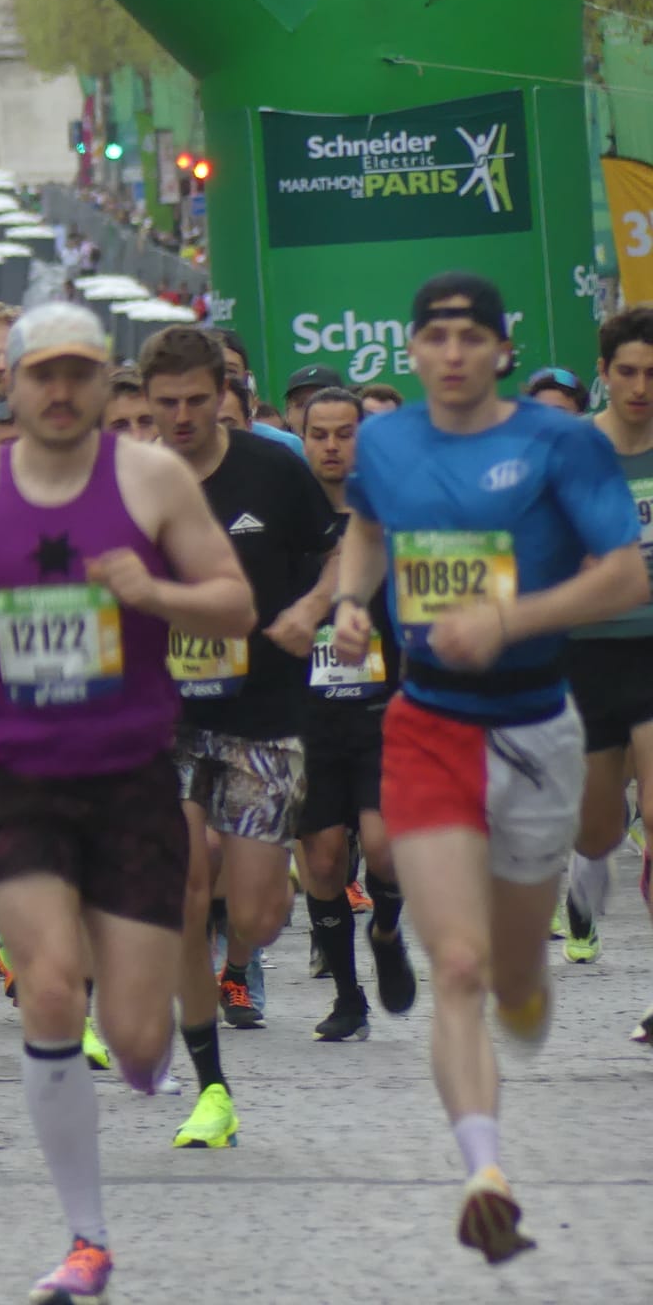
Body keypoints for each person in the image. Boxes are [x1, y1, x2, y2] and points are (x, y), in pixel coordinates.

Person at [0, 302, 254, 1304]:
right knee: (49, 986)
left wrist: (152, 592)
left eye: (77, 373)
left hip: (131, 775)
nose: (57, 391)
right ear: (10, 385)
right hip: (18, 774)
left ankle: (146, 1048)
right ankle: (84, 1239)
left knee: (136, 1045)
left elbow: (233, 603)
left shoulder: (151, 479)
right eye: (39, 373)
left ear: (103, 382)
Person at [330, 271, 646, 1263]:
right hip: (424, 723)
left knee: (513, 973)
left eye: (473, 337)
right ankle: (483, 1171)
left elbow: (624, 572)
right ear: (412, 352)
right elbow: (369, 528)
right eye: (436, 337)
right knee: (455, 964)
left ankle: (529, 983)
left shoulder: (560, 444)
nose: (454, 353)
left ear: (500, 351)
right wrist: (348, 600)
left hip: (536, 724)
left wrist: (507, 618)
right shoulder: (382, 442)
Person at [142, 323, 339, 1149]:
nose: (183, 417)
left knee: (254, 913)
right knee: (186, 891)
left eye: (198, 400)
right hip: (167, 716)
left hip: (263, 710)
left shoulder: (274, 468)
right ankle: (211, 1086)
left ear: (224, 392)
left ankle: (239, 940)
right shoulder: (131, 484)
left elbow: (342, 550)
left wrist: (311, 606)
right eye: (166, 405)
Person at [297, 387, 417, 1041]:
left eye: (347, 433)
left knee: (383, 846)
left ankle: (388, 929)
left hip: (382, 707)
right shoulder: (288, 511)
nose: (334, 446)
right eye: (321, 433)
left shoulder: (389, 513)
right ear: (303, 435)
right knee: (320, 859)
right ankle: (348, 999)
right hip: (309, 713)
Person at [563, 308, 653, 969]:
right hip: (587, 654)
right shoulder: (570, 451)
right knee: (597, 829)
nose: (641, 386)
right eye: (627, 371)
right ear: (604, 373)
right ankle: (584, 873)